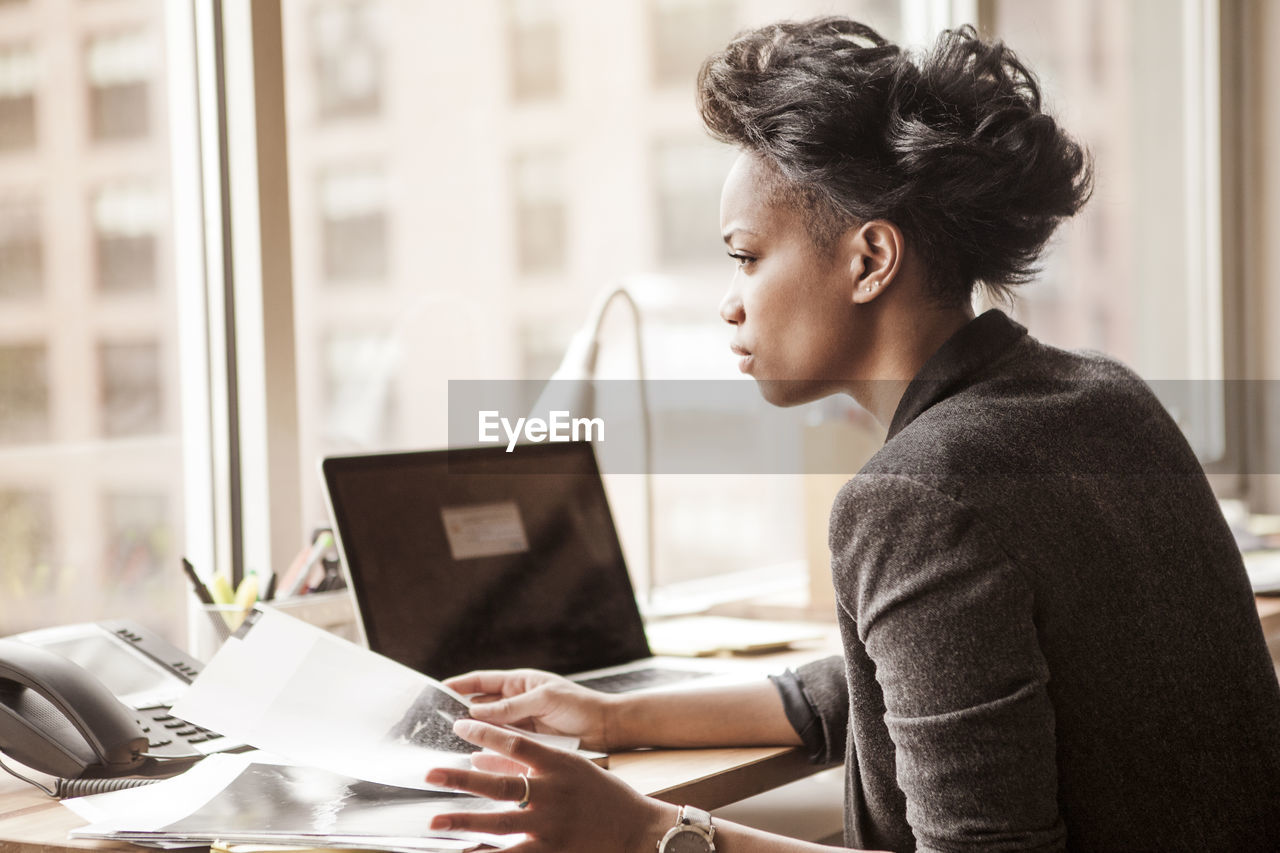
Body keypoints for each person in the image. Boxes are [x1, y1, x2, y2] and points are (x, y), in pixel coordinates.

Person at [422, 18, 1280, 852]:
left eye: (747, 256)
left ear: (870, 259)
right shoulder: (1104, 394)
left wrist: (648, 831)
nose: (732, 300)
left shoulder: (915, 496)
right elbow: (898, 682)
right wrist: (613, 714)